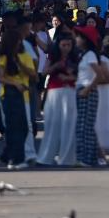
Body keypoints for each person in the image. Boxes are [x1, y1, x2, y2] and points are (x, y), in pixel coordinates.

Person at [0, 14, 35, 170]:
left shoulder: (24, 56)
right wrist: (16, 83)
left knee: (23, 127)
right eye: (17, 41)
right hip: (8, 95)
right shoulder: (4, 58)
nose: (20, 43)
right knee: (13, 128)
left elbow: (33, 74)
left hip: (22, 95)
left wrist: (20, 63)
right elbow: (0, 77)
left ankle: (8, 155)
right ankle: (16, 158)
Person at [36, 34, 78, 166]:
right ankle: (45, 158)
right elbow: (44, 72)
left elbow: (81, 75)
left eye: (69, 45)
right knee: (52, 125)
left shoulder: (75, 58)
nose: (66, 48)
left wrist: (70, 76)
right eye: (63, 45)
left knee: (69, 125)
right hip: (54, 91)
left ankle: (67, 158)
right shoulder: (53, 57)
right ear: (58, 45)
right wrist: (56, 66)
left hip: (70, 91)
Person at [75, 33, 109, 167]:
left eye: (79, 37)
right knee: (85, 126)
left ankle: (91, 157)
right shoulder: (84, 55)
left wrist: (88, 87)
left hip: (92, 92)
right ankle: (88, 156)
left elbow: (104, 77)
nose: (76, 39)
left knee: (88, 126)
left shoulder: (94, 57)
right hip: (86, 90)